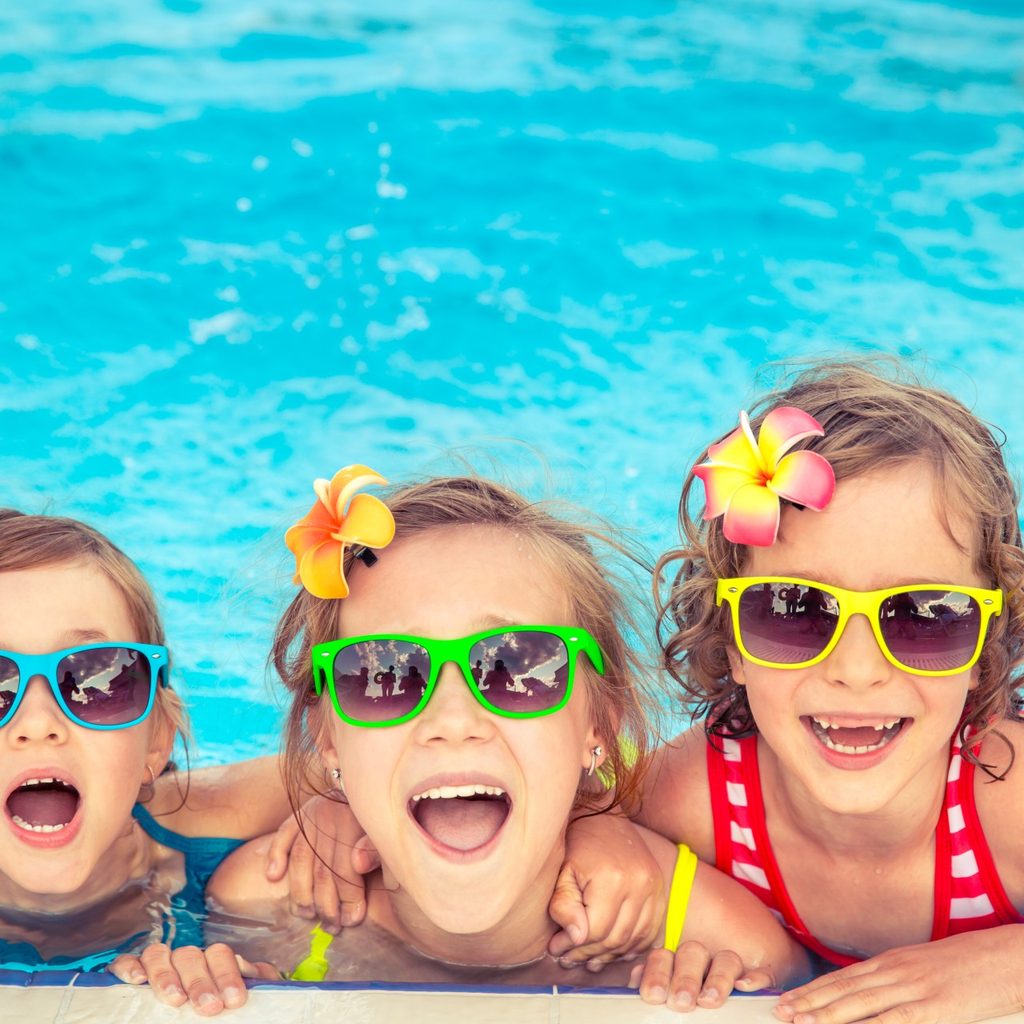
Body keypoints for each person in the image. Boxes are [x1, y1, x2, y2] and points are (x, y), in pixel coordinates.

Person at [116, 470, 810, 1012]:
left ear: (599, 727)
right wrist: (198, 981)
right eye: (384, 674)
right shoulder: (271, 908)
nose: (452, 718)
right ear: (327, 742)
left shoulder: (713, 936)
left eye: (515, 666)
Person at [636, 362, 1024, 1024]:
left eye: (923, 614)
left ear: (985, 645)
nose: (857, 669)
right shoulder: (689, 801)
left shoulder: (1007, 805)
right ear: (728, 636)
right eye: (793, 609)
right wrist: (612, 852)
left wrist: (1009, 966)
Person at [0, 509, 297, 991]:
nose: (37, 724)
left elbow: (344, 770)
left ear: (156, 740)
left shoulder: (211, 817)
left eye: (95, 679)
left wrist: (336, 812)